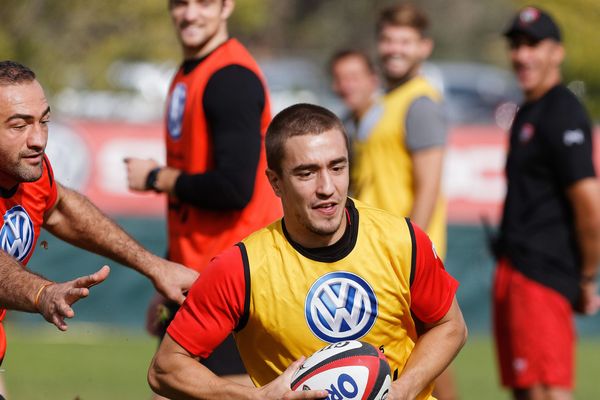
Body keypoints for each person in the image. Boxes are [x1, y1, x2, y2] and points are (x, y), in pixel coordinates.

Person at [147, 103, 467, 400]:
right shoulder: (241, 268)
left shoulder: (403, 239)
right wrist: (253, 397)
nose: (327, 187)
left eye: (337, 167)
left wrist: (403, 389)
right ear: (275, 183)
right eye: (307, 173)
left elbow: (450, 326)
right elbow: (165, 368)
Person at [0, 60, 198, 394]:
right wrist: (42, 292)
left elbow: (61, 208)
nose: (38, 139)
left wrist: (153, 266)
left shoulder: (28, 172)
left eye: (43, 121)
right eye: (19, 125)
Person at [124, 0, 281, 388]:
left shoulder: (231, 78)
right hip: (195, 276)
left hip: (234, 279)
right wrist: (165, 271)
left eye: (204, 3)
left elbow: (233, 188)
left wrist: (156, 177)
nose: (190, 14)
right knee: (165, 385)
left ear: (228, 6)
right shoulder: (188, 72)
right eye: (180, 3)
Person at [493, 7, 600, 400]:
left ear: (557, 52)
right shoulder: (528, 112)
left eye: (534, 44)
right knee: (524, 387)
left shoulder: (563, 112)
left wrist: (586, 277)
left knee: (547, 388)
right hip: (515, 268)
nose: (522, 55)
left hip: (542, 273)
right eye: (516, 45)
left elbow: (590, 205)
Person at [350, 4, 456, 399]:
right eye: (388, 39)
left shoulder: (420, 103)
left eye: (405, 41)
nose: (395, 48)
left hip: (404, 256)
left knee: (424, 358)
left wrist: (410, 255)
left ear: (424, 48)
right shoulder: (384, 101)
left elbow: (428, 185)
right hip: (376, 253)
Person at [329, 49, 381, 142]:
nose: (346, 86)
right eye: (339, 79)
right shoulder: (342, 126)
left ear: (374, 79)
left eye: (354, 78)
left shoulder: (394, 116)